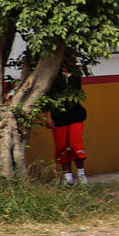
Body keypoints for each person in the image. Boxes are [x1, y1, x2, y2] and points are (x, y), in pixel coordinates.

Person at [46, 51, 88, 185]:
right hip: (59, 116)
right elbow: (48, 98)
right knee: (62, 146)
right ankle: (68, 177)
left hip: (75, 115)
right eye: (72, 59)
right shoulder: (53, 76)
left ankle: (81, 175)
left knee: (76, 145)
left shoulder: (76, 75)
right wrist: (48, 117)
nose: (74, 61)